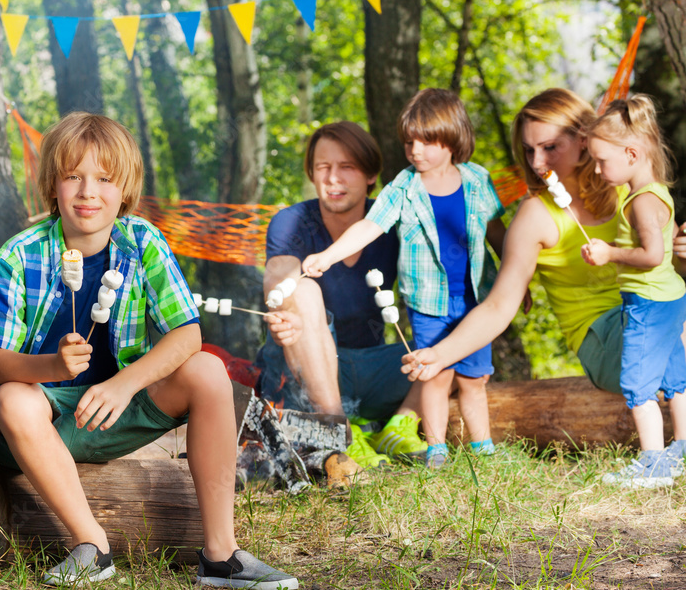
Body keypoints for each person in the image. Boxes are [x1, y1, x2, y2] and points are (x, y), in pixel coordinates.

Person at [0, 112, 298, 590]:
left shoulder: (142, 241)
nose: (88, 192)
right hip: (38, 422)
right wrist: (52, 366)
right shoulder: (17, 256)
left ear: (124, 190)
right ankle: (91, 545)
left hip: (115, 409)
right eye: (73, 177)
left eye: (104, 179)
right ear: (52, 186)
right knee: (12, 398)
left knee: (207, 369)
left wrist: (124, 384)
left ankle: (221, 555)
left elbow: (186, 333)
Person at [402, 88, 686, 433]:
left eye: (550, 147)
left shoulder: (630, 187)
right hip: (604, 338)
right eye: (529, 150)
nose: (537, 163)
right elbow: (498, 307)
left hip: (652, 314)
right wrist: (441, 354)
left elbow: (666, 272)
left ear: (585, 140)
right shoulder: (535, 216)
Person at [302, 89, 507, 469]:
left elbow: (495, 231)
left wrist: (516, 280)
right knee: (434, 374)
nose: (415, 150)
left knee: (475, 378)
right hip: (429, 303)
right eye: (409, 141)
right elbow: (371, 224)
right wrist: (328, 256)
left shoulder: (477, 180)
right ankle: (436, 449)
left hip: (477, 301)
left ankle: (484, 448)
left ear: (453, 138)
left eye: (426, 141)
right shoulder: (403, 187)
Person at [254, 120, 427, 469]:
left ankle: (397, 426)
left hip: (372, 366)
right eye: (323, 168)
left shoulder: (392, 224)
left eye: (346, 167)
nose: (333, 178)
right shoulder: (292, 221)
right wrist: (282, 303)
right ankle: (338, 432)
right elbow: (281, 275)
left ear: (370, 175)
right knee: (301, 289)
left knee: (446, 338)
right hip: (304, 369)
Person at [581, 95, 686, 488]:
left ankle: (654, 464)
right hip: (671, 298)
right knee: (676, 376)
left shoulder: (642, 202)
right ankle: (681, 449)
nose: (596, 167)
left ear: (631, 152)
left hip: (649, 303)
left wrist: (610, 253)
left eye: (601, 160)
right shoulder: (655, 191)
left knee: (639, 385)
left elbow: (652, 255)